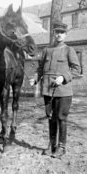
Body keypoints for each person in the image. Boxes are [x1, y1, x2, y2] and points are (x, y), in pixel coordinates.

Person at [30, 22, 81, 158]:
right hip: (47, 90)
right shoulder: (46, 50)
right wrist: (35, 78)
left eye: (61, 32)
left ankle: (61, 147)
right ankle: (51, 144)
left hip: (63, 91)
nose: (59, 34)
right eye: (56, 32)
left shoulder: (68, 50)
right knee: (51, 118)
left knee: (61, 118)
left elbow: (77, 70)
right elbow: (40, 68)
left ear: (65, 34)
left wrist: (63, 78)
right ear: (53, 33)